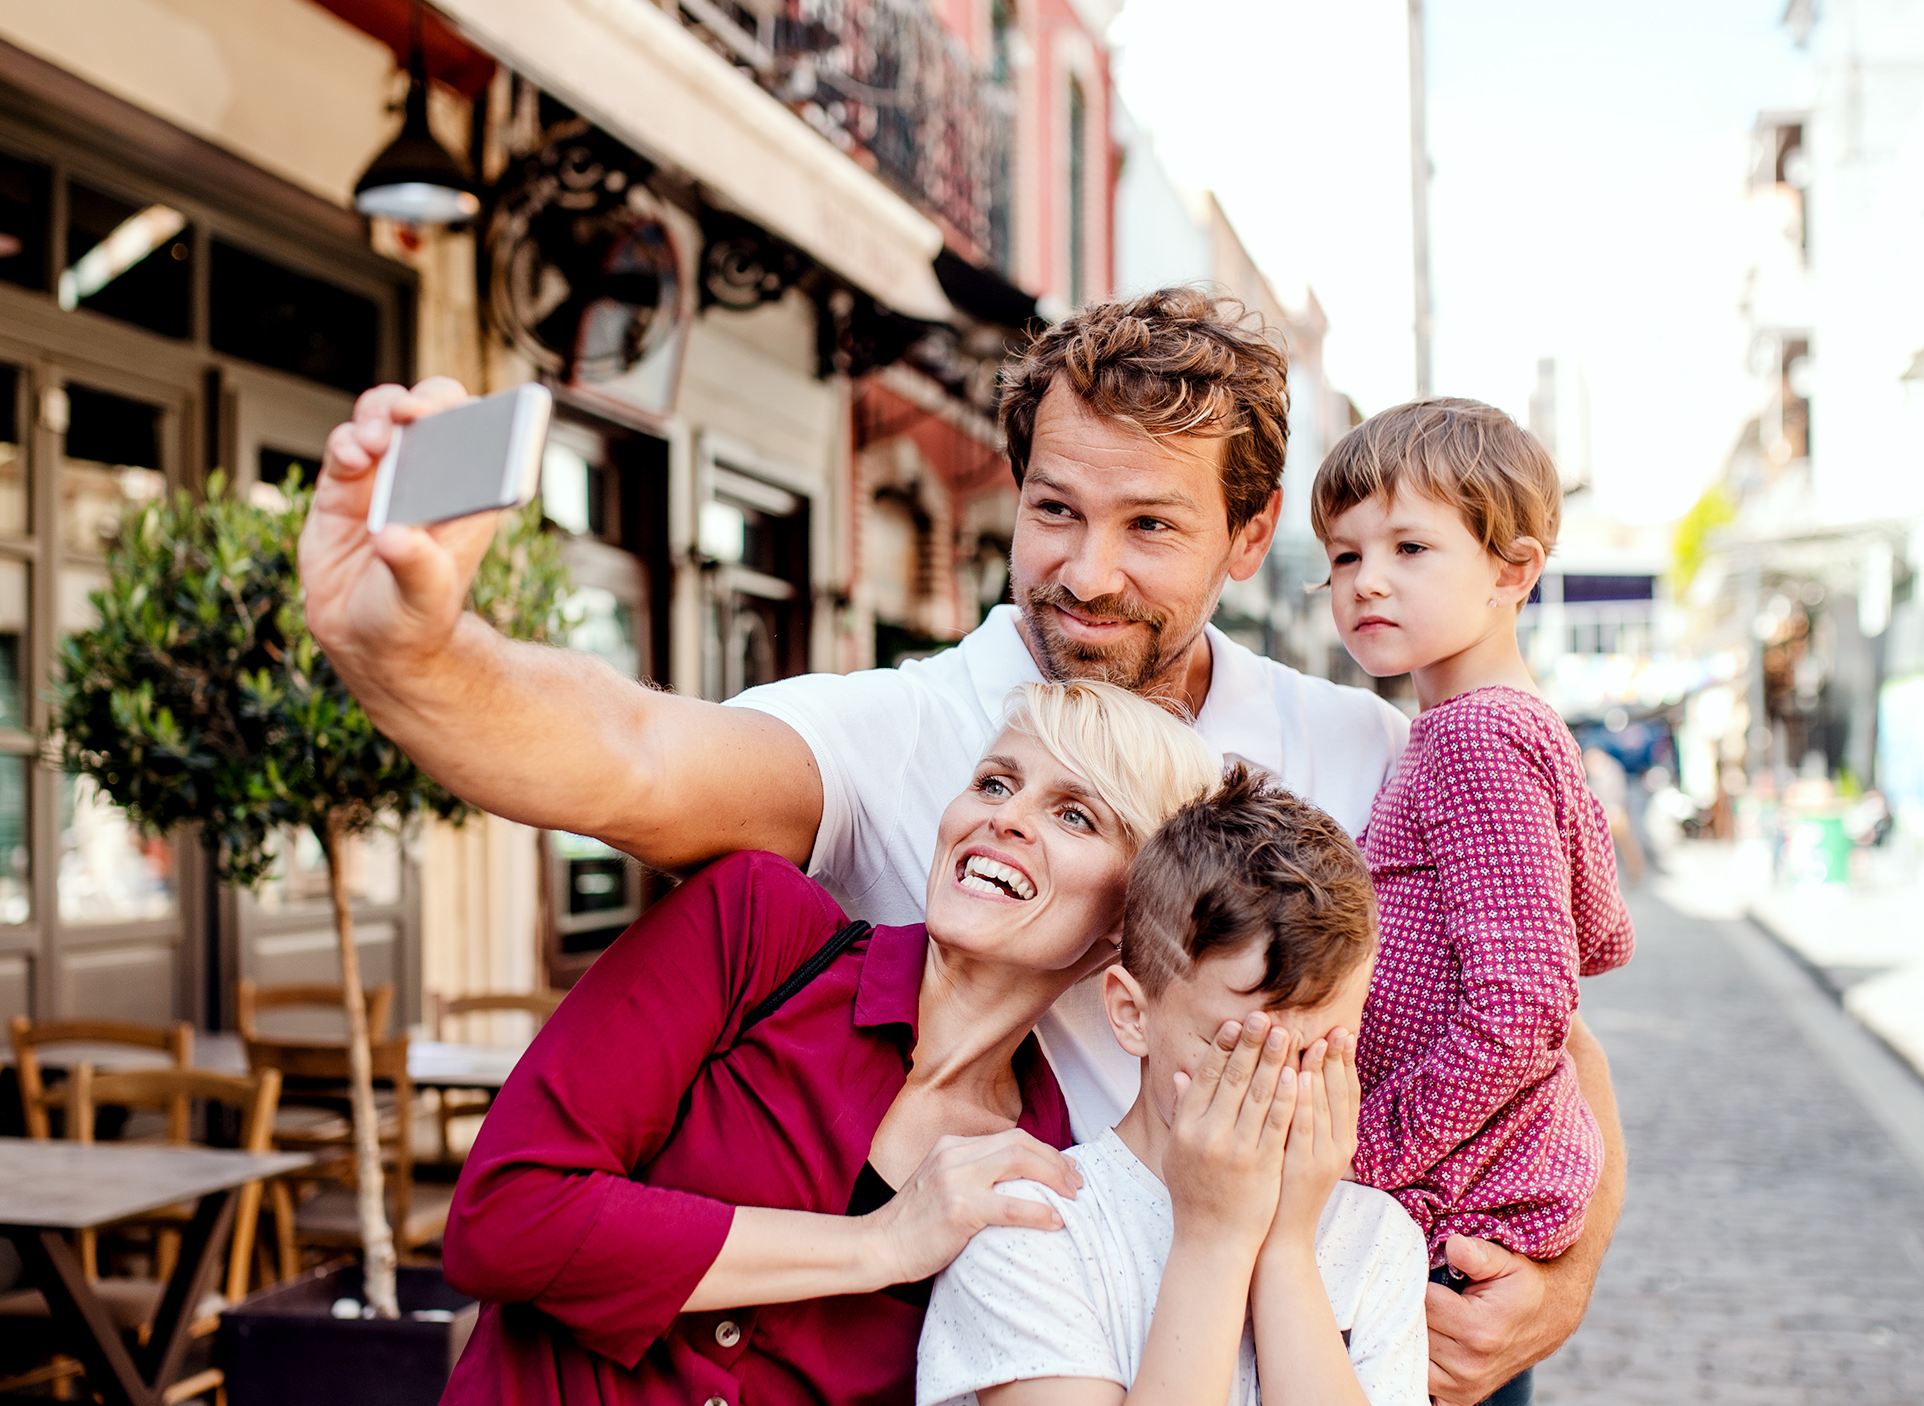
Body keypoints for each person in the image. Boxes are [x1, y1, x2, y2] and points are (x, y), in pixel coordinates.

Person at [302, 288, 1624, 1401]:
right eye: (1055, 510)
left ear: (1253, 533)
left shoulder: (1359, 748)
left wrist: (1565, 1270)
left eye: (1150, 523)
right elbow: (634, 754)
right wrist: (412, 650)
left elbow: (1541, 1024)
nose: (1087, 571)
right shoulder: (912, 724)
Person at [439, 681, 1221, 1406]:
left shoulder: (1041, 1176)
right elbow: (502, 1221)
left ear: (1129, 917)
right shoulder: (758, 926)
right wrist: (878, 1246)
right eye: (994, 782)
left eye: (1075, 815)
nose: (1007, 818)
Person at [1312, 399, 1637, 1406]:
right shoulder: (1499, 727)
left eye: (1410, 545)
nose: (1367, 578)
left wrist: (1361, 1155)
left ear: (1512, 569)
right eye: (1341, 553)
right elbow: (1596, 934)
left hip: (1440, 1218)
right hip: (1461, 1211)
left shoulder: (1470, 739)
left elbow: (1525, 1004)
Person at [918, 768, 1426, 1406]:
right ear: (1134, 1015)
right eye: (1239, 1049)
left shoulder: (1376, 1238)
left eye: (1320, 1053)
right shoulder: (1028, 1227)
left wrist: (1287, 1250)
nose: (1279, 1088)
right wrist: (1214, 1238)